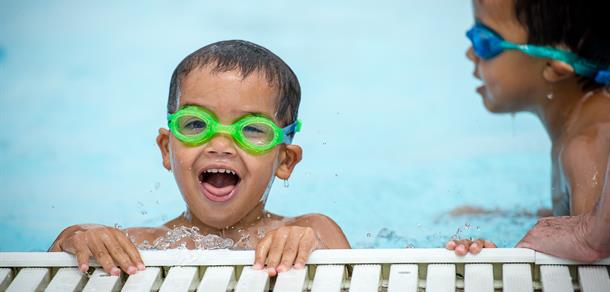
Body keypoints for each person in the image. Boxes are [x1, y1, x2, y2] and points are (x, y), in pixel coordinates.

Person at [49, 40, 350, 276]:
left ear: (285, 161)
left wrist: (312, 246)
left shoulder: (310, 231)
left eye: (252, 129)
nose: (220, 145)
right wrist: (75, 238)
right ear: (167, 149)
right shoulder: (141, 245)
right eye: (196, 124)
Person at [447, 0, 610, 261]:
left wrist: (503, 260)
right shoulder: (583, 126)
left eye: (484, 41)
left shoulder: (585, 150)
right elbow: (577, 223)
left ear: (555, 65)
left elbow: (593, 268)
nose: (470, 53)